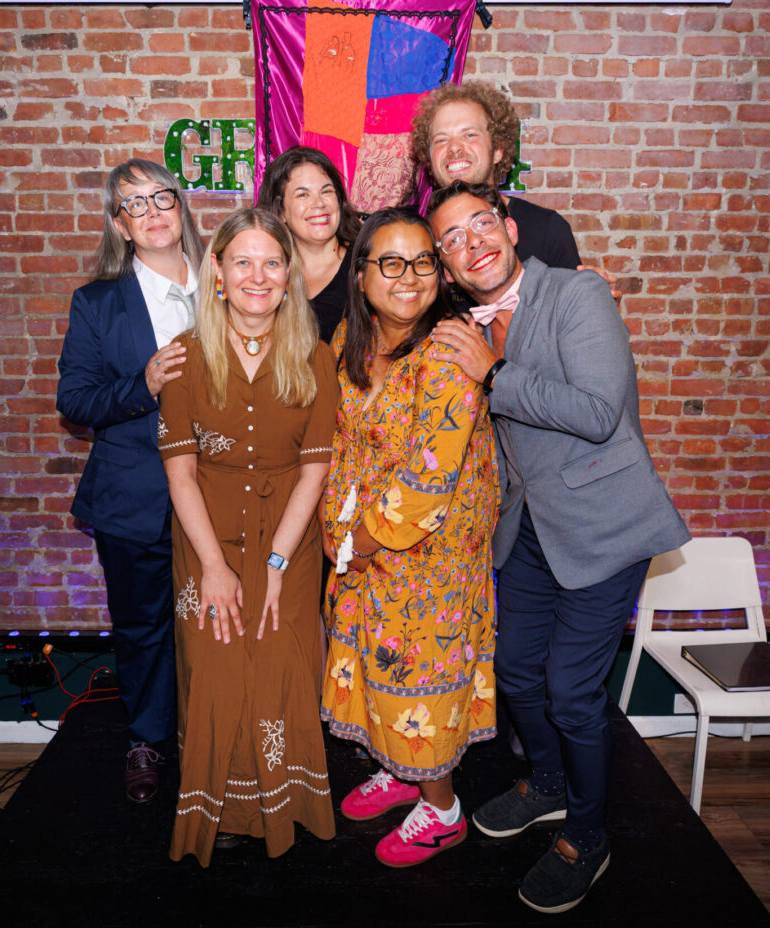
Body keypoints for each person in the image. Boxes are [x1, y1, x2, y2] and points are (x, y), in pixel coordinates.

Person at [427, 182, 690, 912]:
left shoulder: (578, 295)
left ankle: (587, 835)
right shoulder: (465, 324)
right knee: (515, 671)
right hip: (531, 529)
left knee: (571, 691)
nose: (472, 242)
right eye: (452, 239)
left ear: (509, 229)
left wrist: (494, 375)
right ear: (446, 265)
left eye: (481, 223)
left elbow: (600, 413)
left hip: (606, 525)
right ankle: (547, 784)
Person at [320, 208, 500, 868]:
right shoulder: (350, 339)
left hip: (431, 559)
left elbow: (430, 477)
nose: (409, 277)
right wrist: (336, 528)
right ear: (360, 273)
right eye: (390, 262)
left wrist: (357, 543)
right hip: (363, 549)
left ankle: (443, 810)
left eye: (423, 261)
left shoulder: (449, 351)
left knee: (419, 678)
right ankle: (401, 773)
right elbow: (338, 439)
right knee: (376, 670)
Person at [158, 207, 338, 867]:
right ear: (218, 272)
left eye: (271, 262)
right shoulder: (183, 359)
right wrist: (214, 566)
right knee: (218, 670)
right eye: (242, 262)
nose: (257, 277)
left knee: (282, 668)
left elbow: (315, 471)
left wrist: (278, 564)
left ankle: (283, 806)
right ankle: (225, 812)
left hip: (289, 536)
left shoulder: (316, 356)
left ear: (289, 275)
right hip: (206, 536)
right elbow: (180, 474)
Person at [57, 158, 205, 804]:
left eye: (160, 198)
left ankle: (213, 734)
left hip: (224, 493)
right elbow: (74, 401)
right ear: (119, 226)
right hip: (134, 498)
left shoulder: (230, 280)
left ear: (180, 206)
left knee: (218, 623)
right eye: (133, 205)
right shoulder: (96, 303)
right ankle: (147, 737)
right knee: (143, 627)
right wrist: (142, 384)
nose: (151, 213)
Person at [411, 81, 621, 300]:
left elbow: (575, 309)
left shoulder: (548, 230)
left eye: (470, 135)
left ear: (497, 150)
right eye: (441, 139)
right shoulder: (419, 239)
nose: (454, 147)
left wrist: (601, 305)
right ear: (430, 160)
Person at [256, 146, 363, 343]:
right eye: (303, 195)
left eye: (326, 191)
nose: (319, 203)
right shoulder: (266, 274)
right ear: (280, 211)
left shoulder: (365, 264)